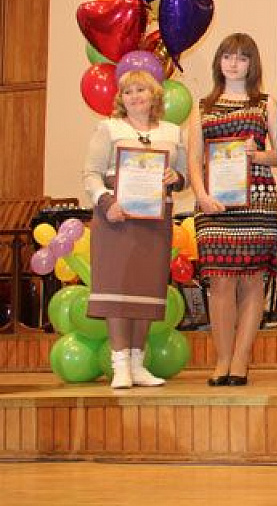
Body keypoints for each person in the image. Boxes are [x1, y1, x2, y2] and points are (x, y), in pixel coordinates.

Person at [187, 34, 277, 387]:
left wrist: (258, 155)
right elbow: (194, 159)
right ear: (219, 62)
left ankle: (240, 360)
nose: (234, 64)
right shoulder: (202, 106)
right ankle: (222, 359)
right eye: (227, 56)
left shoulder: (265, 103)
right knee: (220, 281)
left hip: (257, 201)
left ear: (252, 64)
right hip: (213, 204)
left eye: (242, 57)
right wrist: (201, 195)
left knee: (253, 280)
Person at [83, 70, 186, 389]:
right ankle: (120, 366)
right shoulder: (109, 128)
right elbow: (90, 174)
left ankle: (138, 365)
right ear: (120, 98)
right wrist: (106, 203)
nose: (135, 96)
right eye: (128, 92)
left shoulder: (172, 132)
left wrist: (176, 178)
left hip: (155, 221)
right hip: (116, 217)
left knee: (146, 290)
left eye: (141, 90)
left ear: (154, 95)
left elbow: (182, 176)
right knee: (117, 288)